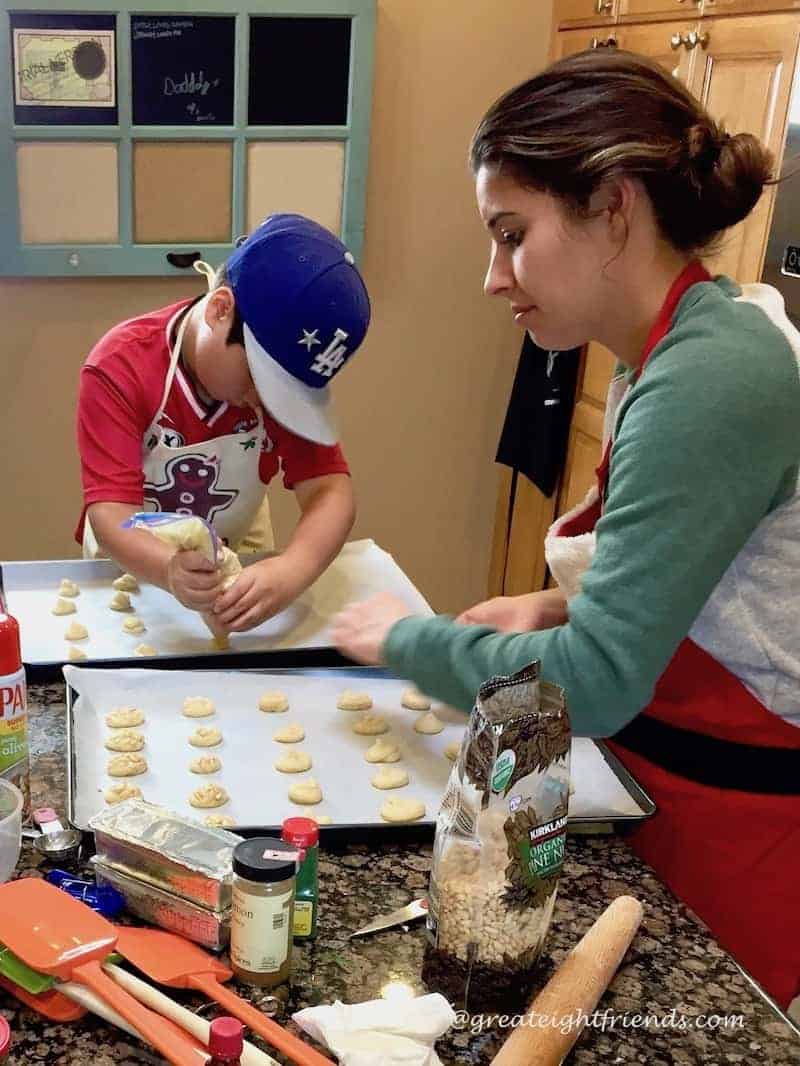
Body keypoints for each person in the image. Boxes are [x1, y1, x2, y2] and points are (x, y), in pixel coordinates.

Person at [332, 51, 800, 1008]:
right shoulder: (669, 349)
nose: (493, 277)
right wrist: (554, 599)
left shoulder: (713, 378)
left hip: (737, 818)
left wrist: (405, 642)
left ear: (614, 207)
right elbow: (709, 566)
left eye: (512, 234)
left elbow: (595, 680)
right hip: (671, 778)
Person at [76, 213, 370, 632]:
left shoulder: (274, 376)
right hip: (132, 555)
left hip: (239, 540)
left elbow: (330, 490)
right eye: (261, 380)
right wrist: (168, 570)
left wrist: (292, 570)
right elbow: (111, 514)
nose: (263, 400)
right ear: (220, 310)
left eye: (287, 394)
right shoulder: (119, 367)